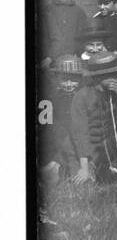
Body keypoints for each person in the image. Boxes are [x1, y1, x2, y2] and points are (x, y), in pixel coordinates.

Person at [68, 52, 117, 185]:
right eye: (112, 75)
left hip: (107, 147)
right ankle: (96, 171)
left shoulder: (116, 93)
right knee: (86, 186)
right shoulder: (82, 96)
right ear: (97, 77)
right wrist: (84, 168)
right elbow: (80, 134)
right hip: (86, 153)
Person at [39, 54, 84, 192]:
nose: (69, 84)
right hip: (58, 144)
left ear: (80, 79)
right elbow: (46, 126)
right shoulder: (50, 99)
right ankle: (56, 167)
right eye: (65, 80)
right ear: (57, 78)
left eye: (73, 80)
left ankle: (62, 169)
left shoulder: (84, 97)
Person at [39, 0, 88, 66]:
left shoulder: (79, 12)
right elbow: (44, 37)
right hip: (49, 58)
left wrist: (79, 54)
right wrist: (47, 57)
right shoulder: (47, 10)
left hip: (73, 58)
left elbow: (81, 37)